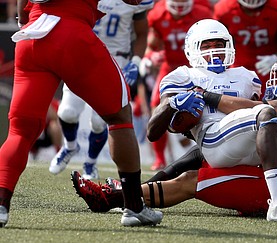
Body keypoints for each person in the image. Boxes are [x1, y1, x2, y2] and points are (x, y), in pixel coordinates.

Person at [70, 48, 277, 222]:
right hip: (268, 170)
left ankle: (113, 198)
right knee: (200, 155)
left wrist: (206, 96)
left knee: (191, 180)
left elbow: (272, 109)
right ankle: (132, 191)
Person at [0, 0, 163, 228]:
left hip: (32, 35)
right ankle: (134, 207)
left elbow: (21, 7)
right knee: (119, 117)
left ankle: (1, 204)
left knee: (19, 131)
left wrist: (24, 21)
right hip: (72, 33)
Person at [147, 18, 277, 224]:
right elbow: (154, 131)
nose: (214, 51)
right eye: (207, 45)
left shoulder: (247, 77)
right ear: (192, 49)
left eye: (219, 44)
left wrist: (269, 100)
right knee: (265, 114)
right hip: (214, 141)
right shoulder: (183, 76)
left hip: (242, 140)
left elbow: (253, 114)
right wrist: (172, 105)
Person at [48, 0, 153, 179]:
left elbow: (142, 33)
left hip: (115, 59)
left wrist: (135, 62)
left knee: (100, 121)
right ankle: (70, 146)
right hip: (83, 53)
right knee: (67, 112)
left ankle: (90, 163)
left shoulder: (134, 3)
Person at [140, 0, 213, 171]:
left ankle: (199, 150)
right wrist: (150, 57)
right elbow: (152, 45)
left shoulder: (203, 12)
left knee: (200, 110)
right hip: (170, 67)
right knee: (157, 107)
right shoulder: (157, 14)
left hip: (198, 68)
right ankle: (159, 158)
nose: (179, 5)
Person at [213, 0, 277, 95]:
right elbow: (215, 40)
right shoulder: (225, 10)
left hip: (270, 69)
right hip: (236, 65)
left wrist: (276, 57)